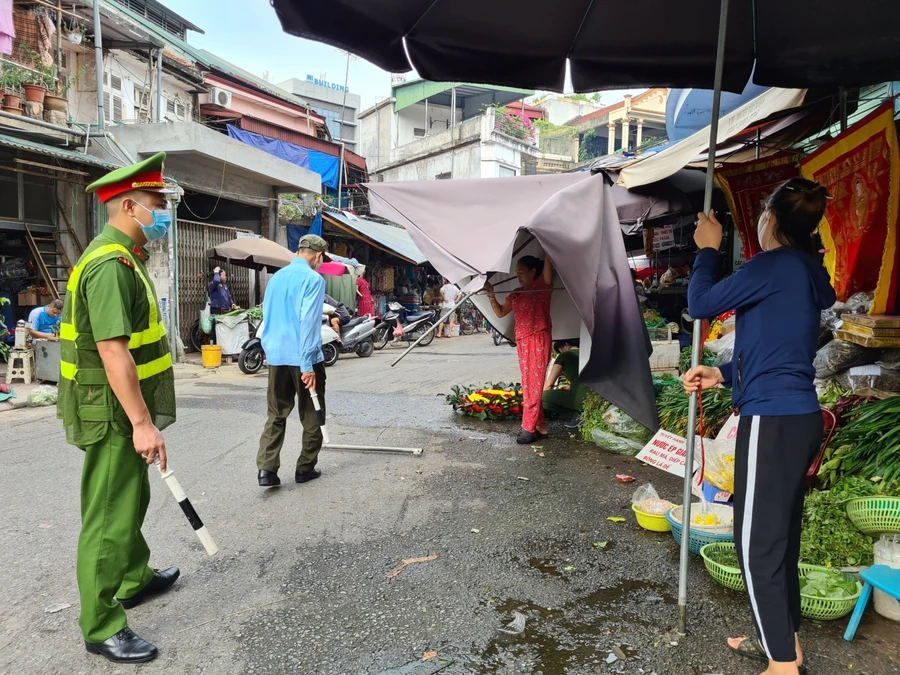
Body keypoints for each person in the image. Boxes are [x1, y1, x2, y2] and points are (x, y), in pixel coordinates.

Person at [684, 178, 835, 675]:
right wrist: (723, 373)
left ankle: (784, 667)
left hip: (771, 419)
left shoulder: (773, 266)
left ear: (768, 218)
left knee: (755, 543)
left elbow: (702, 304)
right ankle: (783, 641)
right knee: (779, 538)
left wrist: (708, 250)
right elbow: (779, 349)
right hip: (796, 415)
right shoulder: (806, 271)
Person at [57, 152, 179, 664]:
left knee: (131, 497)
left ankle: (134, 578)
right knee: (110, 513)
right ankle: (101, 624)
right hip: (111, 411)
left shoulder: (126, 256)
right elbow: (112, 350)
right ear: (129, 205)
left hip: (119, 407)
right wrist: (142, 423)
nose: (163, 213)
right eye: (157, 204)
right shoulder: (111, 264)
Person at [257, 234, 329, 488]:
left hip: (276, 355)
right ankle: (305, 468)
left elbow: (267, 316)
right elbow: (308, 322)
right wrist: (308, 364)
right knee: (311, 413)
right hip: (302, 356)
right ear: (318, 256)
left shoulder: (276, 278)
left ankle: (267, 470)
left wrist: (269, 348)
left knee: (276, 413)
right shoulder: (313, 279)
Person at [485, 255, 554, 444]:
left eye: (522, 273)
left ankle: (528, 427)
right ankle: (540, 426)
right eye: (516, 273)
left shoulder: (543, 286)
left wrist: (546, 239)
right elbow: (500, 312)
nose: (519, 277)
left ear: (533, 272)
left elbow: (548, 262)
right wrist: (491, 294)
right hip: (522, 341)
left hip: (539, 337)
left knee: (535, 383)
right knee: (529, 383)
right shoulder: (515, 293)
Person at [542, 339, 587, 429]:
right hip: (595, 395)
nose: (560, 352)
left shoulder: (564, 356)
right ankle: (580, 413)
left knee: (539, 398)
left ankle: (577, 414)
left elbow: (549, 384)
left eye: (560, 349)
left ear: (566, 344)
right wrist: (571, 386)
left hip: (580, 399)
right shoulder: (588, 353)